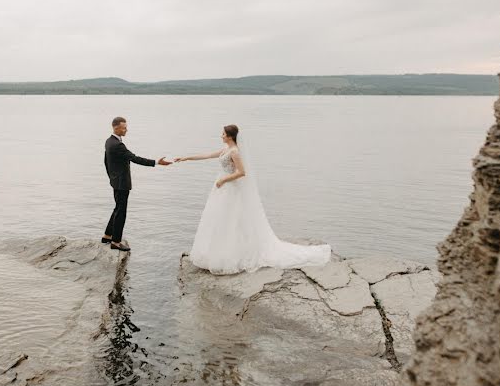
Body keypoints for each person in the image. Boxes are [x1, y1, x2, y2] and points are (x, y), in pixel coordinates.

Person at [174, 124, 331, 274]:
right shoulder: (226, 149)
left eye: (223, 133)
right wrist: (186, 158)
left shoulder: (235, 152)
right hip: (222, 189)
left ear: (229, 136)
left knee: (231, 220)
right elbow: (207, 155)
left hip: (230, 188)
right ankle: (218, 252)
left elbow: (242, 172)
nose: (221, 136)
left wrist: (224, 180)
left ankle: (232, 255)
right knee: (220, 220)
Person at [103, 116, 172, 251]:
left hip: (115, 181)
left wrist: (111, 177)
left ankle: (107, 235)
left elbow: (106, 161)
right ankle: (115, 242)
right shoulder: (118, 145)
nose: (126, 130)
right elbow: (135, 158)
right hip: (121, 183)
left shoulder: (109, 141)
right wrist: (156, 162)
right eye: (124, 128)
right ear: (116, 128)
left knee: (117, 208)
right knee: (121, 211)